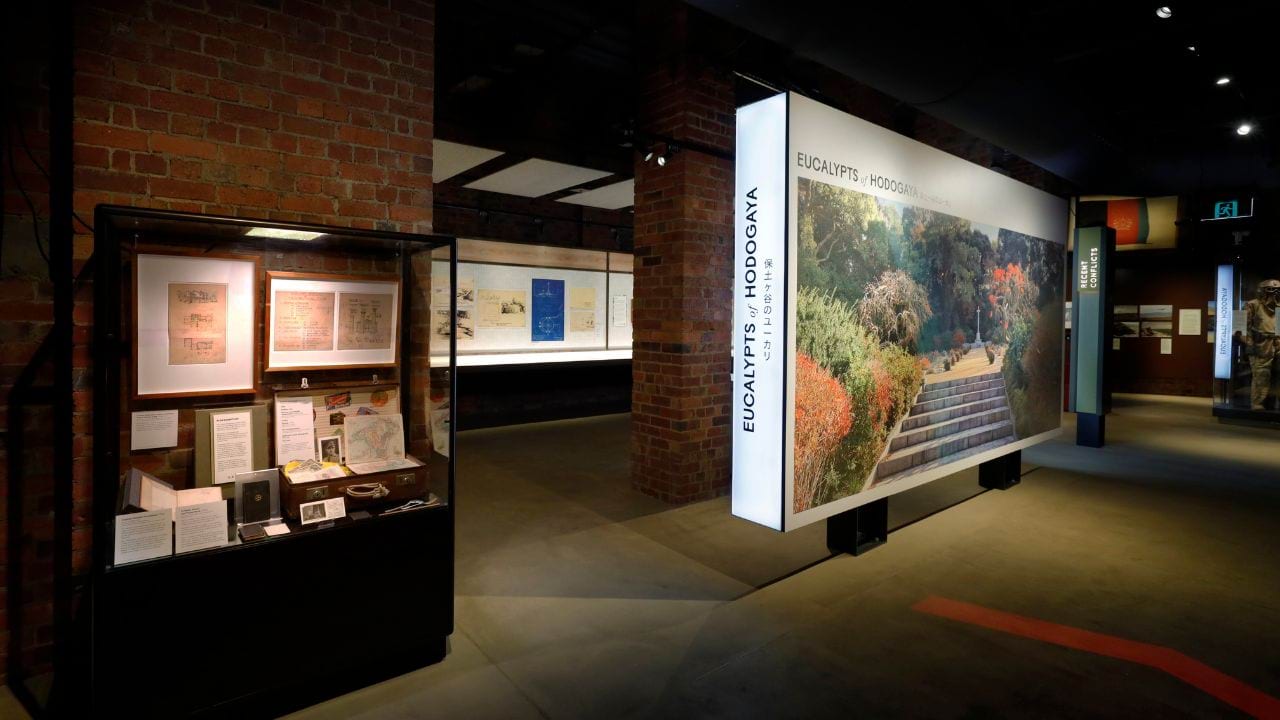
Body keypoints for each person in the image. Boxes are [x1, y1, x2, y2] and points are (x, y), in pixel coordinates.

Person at [1244, 278, 1280, 410]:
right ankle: (1257, 402)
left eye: (1277, 291)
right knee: (1261, 374)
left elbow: (1279, 328)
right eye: (1270, 290)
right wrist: (1250, 343)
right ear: (1262, 291)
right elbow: (1242, 327)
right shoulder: (1252, 305)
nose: (1274, 293)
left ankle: (1274, 401)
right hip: (1259, 345)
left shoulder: (1278, 307)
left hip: (1275, 343)